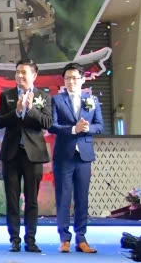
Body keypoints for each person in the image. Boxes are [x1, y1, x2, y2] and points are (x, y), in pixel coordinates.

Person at [0, 58, 52, 253]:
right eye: (17, 72)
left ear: (34, 75)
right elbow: (0, 122)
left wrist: (30, 110)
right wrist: (17, 111)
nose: (20, 76)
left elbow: (47, 122)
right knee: (12, 199)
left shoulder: (43, 96)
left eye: (24, 72)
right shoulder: (7, 95)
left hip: (33, 155)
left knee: (32, 200)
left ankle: (30, 239)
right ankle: (14, 239)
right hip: (11, 154)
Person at [50, 63, 103, 254]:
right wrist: (73, 129)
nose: (71, 81)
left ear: (82, 79)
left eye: (75, 78)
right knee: (63, 198)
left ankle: (81, 238)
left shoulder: (92, 100)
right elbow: (52, 126)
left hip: (84, 155)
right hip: (64, 155)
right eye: (68, 78)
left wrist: (88, 128)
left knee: (82, 198)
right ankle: (64, 238)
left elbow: (100, 125)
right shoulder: (56, 100)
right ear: (64, 81)